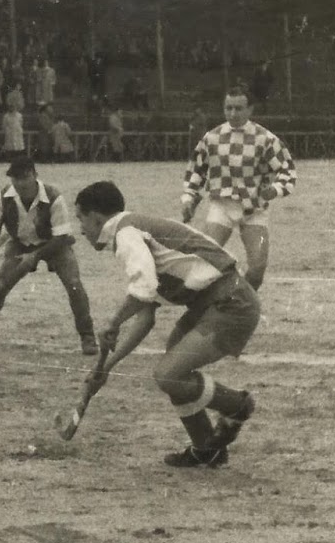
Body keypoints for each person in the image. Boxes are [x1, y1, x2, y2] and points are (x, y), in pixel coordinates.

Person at [73, 180, 260, 468]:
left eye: (81, 219)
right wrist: (108, 368)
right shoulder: (133, 231)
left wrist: (114, 321)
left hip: (231, 303)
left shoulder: (126, 234)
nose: (81, 229)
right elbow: (145, 316)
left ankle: (237, 405)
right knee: (173, 371)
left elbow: (143, 288)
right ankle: (206, 449)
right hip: (210, 304)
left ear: (96, 217)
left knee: (169, 375)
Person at [0, 157, 97, 356]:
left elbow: (61, 236)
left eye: (25, 178)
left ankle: (87, 335)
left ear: (34, 175)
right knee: (0, 286)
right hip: (20, 244)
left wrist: (35, 256)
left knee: (74, 285)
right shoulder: (2, 196)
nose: (20, 184)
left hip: (54, 245)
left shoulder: (54, 196)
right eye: (16, 179)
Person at [180, 85, 296, 289]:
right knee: (204, 262)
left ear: (250, 110)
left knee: (257, 268)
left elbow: (287, 170)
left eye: (239, 108)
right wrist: (189, 198)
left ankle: (242, 302)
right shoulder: (211, 137)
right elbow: (196, 170)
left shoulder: (266, 138)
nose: (233, 113)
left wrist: (275, 189)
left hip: (253, 210)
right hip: (222, 206)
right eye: (228, 108)